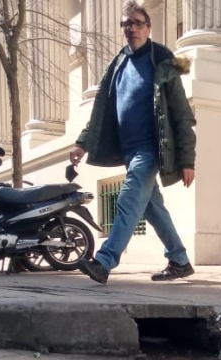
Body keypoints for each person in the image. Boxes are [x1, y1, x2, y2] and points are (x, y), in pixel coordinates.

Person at [70, 0, 196, 284]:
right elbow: (100, 112)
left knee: (128, 199)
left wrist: (187, 159)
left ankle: (104, 262)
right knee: (153, 208)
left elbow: (182, 113)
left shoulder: (163, 59)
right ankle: (179, 260)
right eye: (126, 24)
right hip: (129, 151)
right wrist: (82, 143)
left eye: (138, 23)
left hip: (152, 148)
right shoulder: (117, 64)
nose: (132, 28)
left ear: (148, 27)